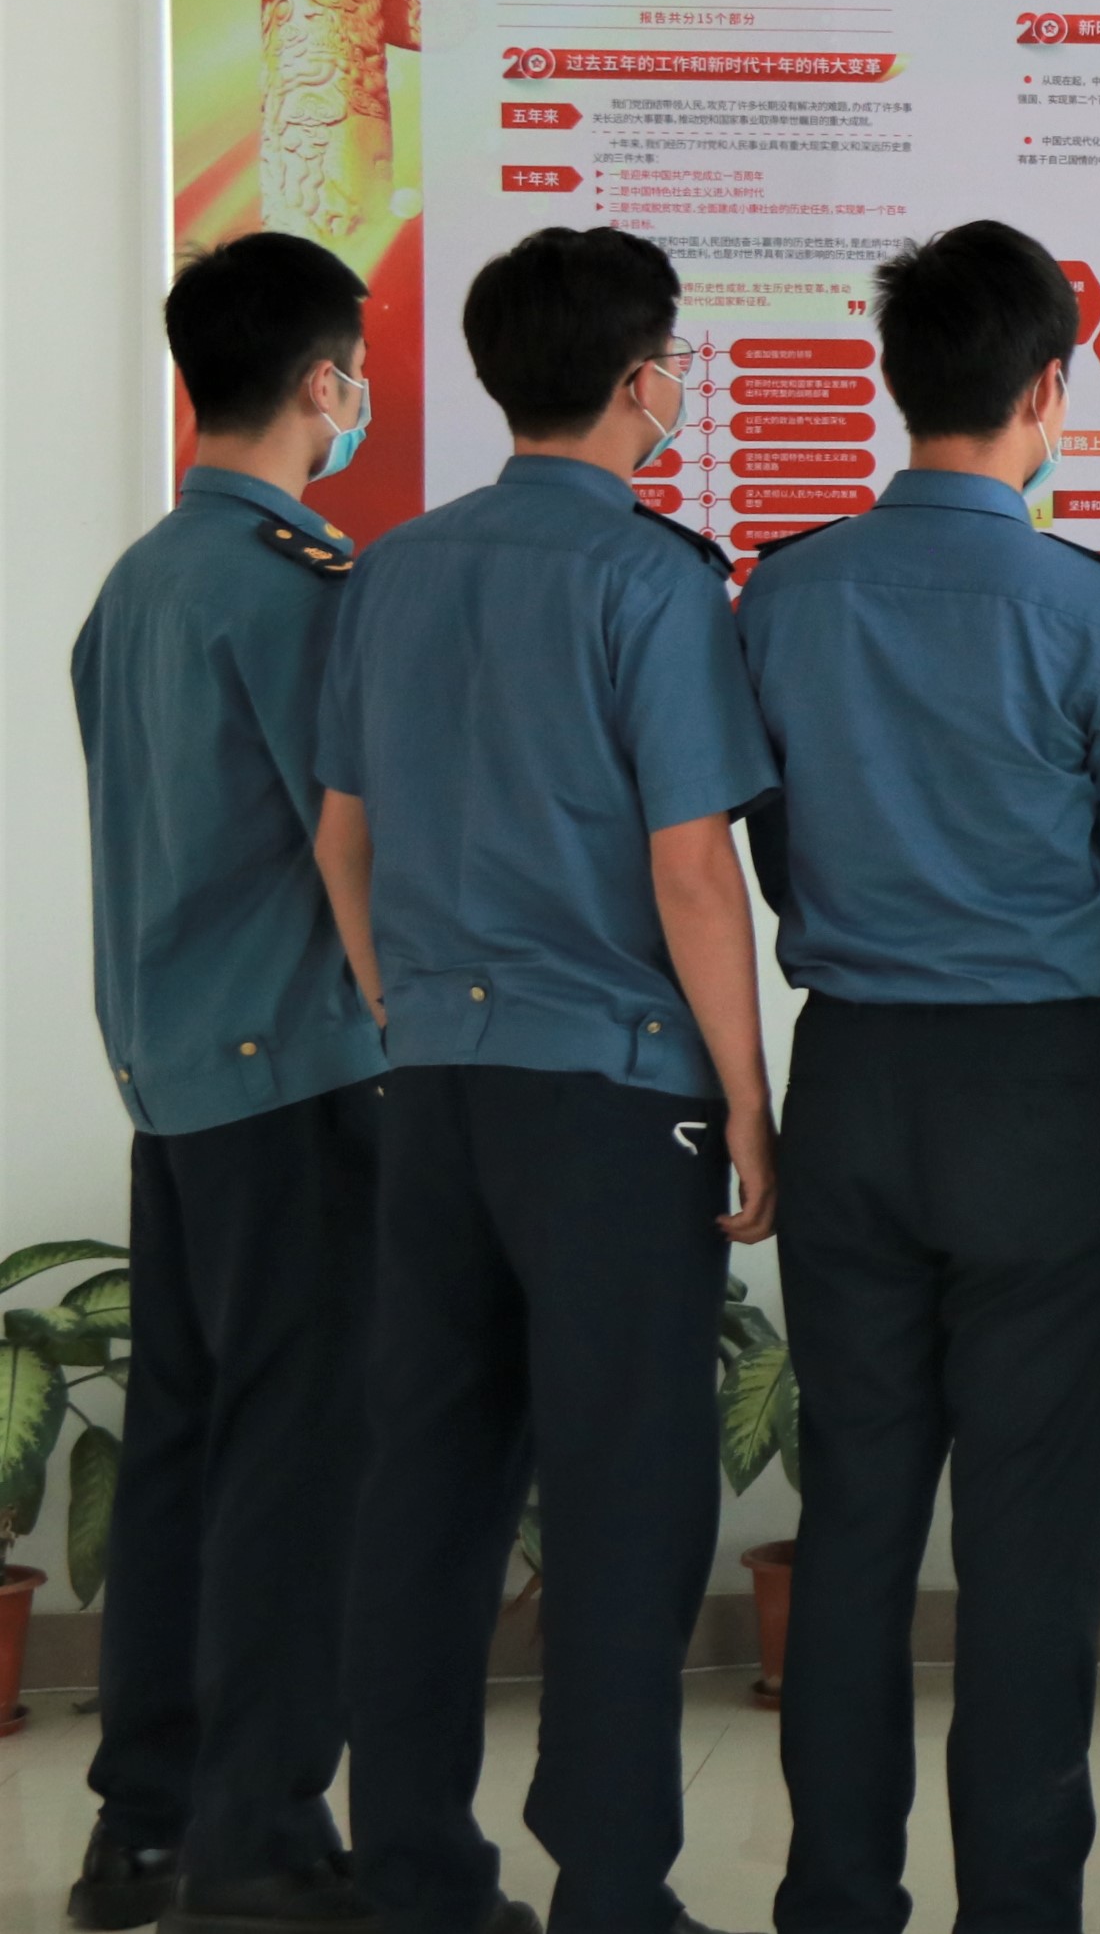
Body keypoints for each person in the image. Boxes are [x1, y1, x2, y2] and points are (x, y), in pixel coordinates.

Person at [314, 228, 779, 1934]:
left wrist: (406, 1011)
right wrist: (747, 1097)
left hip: (435, 1087)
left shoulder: (392, 571)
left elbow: (342, 840)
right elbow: (691, 870)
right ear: (643, 381)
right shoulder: (652, 581)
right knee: (623, 1494)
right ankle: (612, 1883)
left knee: (426, 1488)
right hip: (614, 1098)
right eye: (677, 359)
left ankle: (413, 1867)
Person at [735, 222, 1100, 1934]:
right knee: (1032, 1543)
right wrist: (1041, 997)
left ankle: (838, 1899)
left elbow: (774, 842)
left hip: (851, 1079)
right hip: (1045, 1097)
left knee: (856, 1519)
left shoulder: (786, 592)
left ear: (896, 377)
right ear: (1047, 390)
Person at [66, 236, 388, 1934]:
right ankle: (262, 1831)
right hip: (300, 1077)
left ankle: (143, 1829)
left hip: (179, 1081)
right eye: (357, 368)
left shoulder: (137, 582)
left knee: (186, 1445)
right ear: (324, 381)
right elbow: (352, 842)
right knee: (297, 1454)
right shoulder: (297, 583)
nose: (360, 395)